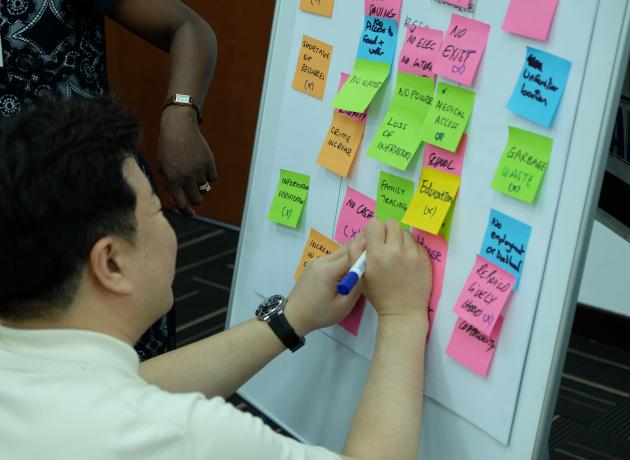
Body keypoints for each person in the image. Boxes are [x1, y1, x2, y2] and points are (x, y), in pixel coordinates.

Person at [0, 97, 432, 459]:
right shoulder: (180, 435)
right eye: (156, 209)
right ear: (111, 264)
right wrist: (401, 316)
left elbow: (126, 385)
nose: (168, 224)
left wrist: (291, 317)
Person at [0, 0, 218, 358]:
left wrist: (181, 113)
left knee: (129, 373)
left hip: (91, 204)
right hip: (12, 221)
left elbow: (188, 28)